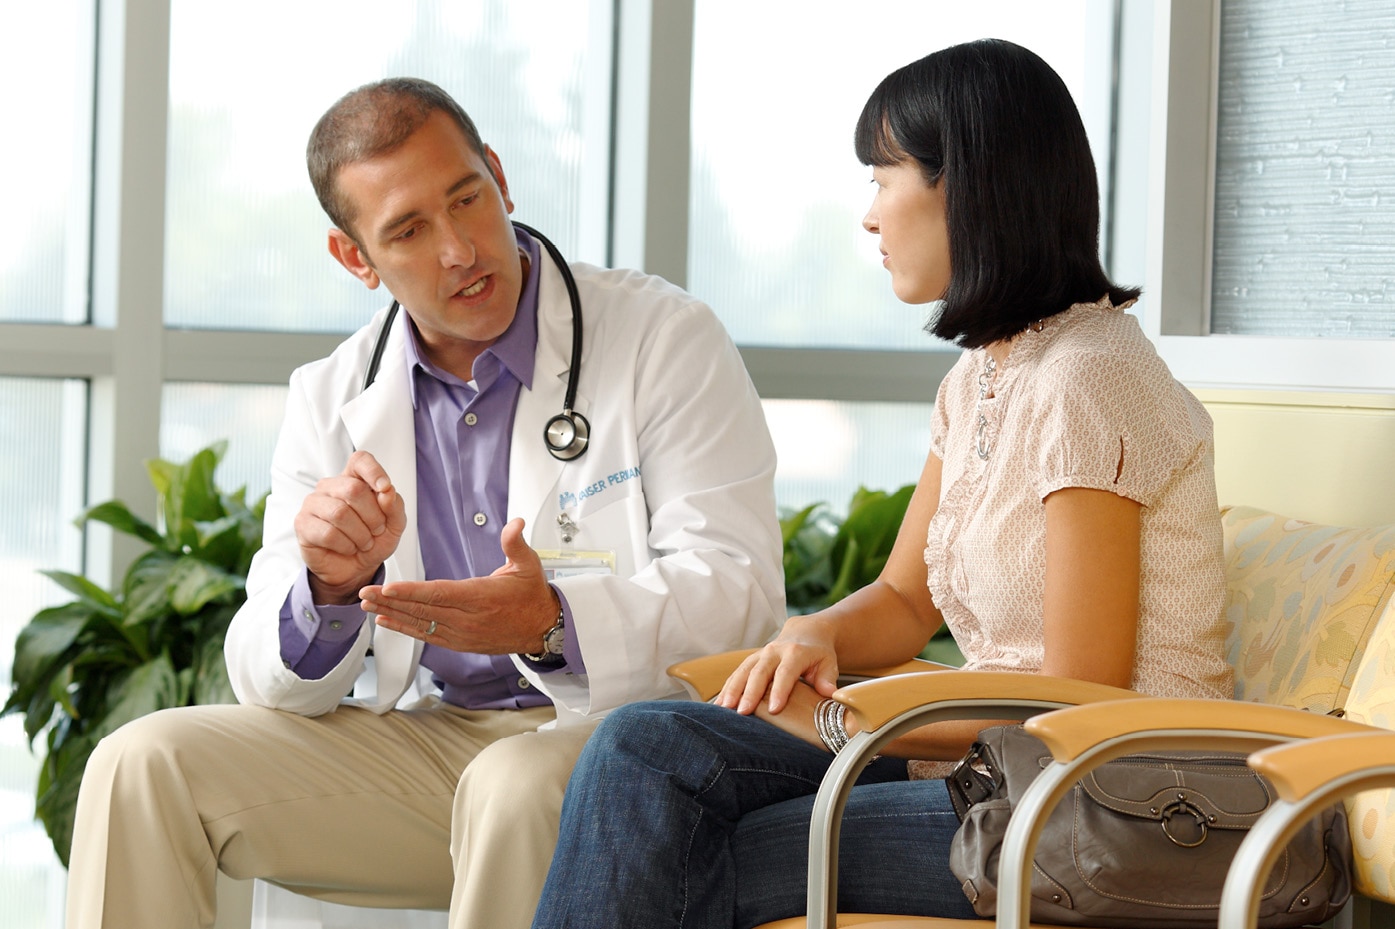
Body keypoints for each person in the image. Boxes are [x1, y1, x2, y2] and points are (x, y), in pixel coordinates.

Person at [530, 38, 1234, 929]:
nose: (868, 216)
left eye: (881, 176)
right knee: (645, 744)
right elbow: (905, 597)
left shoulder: (1087, 378)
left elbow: (1075, 693)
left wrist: (849, 719)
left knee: (674, 843)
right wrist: (812, 633)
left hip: (1106, 799)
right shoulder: (981, 378)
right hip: (998, 772)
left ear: (967, 186)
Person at [65, 77, 785, 929]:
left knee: (511, 785)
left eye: (467, 199)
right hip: (436, 742)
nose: (459, 249)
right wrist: (326, 592)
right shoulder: (331, 394)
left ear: (500, 177)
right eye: (407, 230)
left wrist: (553, 622)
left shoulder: (663, 338)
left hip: (624, 743)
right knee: (140, 761)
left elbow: (740, 592)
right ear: (354, 258)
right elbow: (262, 669)